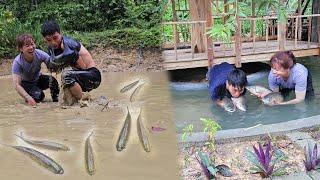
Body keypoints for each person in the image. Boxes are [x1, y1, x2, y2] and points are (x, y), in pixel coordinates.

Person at [40, 20, 101, 101]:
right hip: (79, 76)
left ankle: (84, 101)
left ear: (60, 33)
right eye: (49, 40)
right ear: (44, 39)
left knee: (66, 76)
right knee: (58, 81)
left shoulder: (68, 44)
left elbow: (83, 67)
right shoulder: (52, 49)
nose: (53, 42)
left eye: (55, 38)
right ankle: (58, 102)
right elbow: (55, 70)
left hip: (92, 75)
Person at [12, 34, 60, 106]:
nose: (31, 47)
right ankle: (31, 96)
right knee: (39, 96)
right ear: (21, 49)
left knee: (53, 81)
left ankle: (56, 101)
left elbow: (52, 66)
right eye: (27, 46)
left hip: (38, 79)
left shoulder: (40, 54)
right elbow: (17, 85)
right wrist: (28, 97)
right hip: (26, 84)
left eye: (32, 44)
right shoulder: (18, 62)